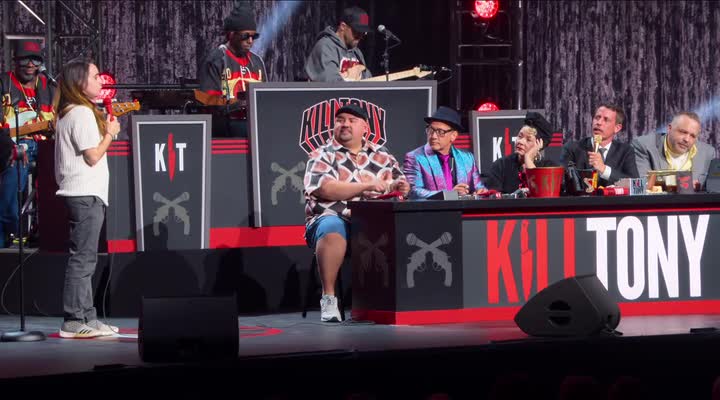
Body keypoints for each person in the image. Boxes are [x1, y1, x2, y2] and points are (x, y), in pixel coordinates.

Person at [304, 103, 409, 322]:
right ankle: (329, 298)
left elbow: (397, 183)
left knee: (405, 226)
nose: (345, 124)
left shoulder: (382, 154)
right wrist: (365, 186)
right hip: (334, 218)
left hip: (374, 221)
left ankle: (402, 299)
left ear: (365, 128)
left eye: (352, 121)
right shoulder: (322, 154)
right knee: (332, 227)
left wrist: (401, 186)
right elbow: (325, 188)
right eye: (340, 120)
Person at [54, 58, 121, 338]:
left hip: (86, 194)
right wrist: (110, 135)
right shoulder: (80, 112)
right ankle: (73, 320)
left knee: (87, 258)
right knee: (82, 259)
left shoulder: (75, 111)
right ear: (80, 82)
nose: (100, 81)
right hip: (84, 194)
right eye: (94, 76)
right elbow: (92, 156)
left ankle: (88, 318)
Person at [0, 39, 55, 247]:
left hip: (45, 146)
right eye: (25, 60)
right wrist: (11, 147)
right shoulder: (3, 83)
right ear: (15, 61)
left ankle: (45, 231)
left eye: (35, 60)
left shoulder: (50, 87)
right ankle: (10, 232)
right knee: (13, 186)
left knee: (57, 179)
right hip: (11, 145)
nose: (30, 64)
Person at [197, 1, 268, 137]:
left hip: (255, 124)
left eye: (254, 36)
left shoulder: (257, 62)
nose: (250, 41)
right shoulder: (216, 60)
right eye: (245, 36)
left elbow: (266, 98)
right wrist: (238, 105)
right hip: (225, 127)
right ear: (231, 35)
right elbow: (207, 101)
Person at [403, 106, 485, 198]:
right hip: (433, 207)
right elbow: (414, 191)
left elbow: (479, 187)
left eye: (440, 132)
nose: (433, 136)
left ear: (453, 136)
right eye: (431, 130)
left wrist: (481, 192)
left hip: (463, 207)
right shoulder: (415, 157)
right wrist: (450, 194)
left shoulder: (468, 158)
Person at [560, 103, 639, 187]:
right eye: (597, 118)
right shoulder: (572, 148)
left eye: (606, 120)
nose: (599, 122)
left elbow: (635, 184)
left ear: (617, 128)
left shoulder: (625, 151)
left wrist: (604, 169)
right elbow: (563, 181)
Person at [632, 111, 716, 188]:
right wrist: (678, 184)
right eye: (683, 132)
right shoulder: (644, 146)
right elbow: (641, 183)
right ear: (669, 128)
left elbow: (713, 187)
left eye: (692, 136)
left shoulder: (707, 153)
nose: (687, 139)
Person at [484, 112, 559, 193]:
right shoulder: (501, 166)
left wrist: (528, 159)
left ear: (539, 145)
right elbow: (492, 196)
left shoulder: (548, 167)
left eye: (528, 140)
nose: (520, 141)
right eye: (520, 136)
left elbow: (541, 194)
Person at [304, 6, 372, 82]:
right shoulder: (325, 47)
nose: (360, 36)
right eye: (357, 31)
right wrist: (350, 77)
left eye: (363, 33)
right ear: (343, 26)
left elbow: (368, 79)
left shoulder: (357, 52)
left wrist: (358, 69)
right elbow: (330, 82)